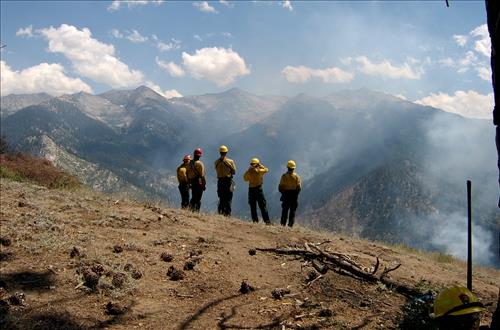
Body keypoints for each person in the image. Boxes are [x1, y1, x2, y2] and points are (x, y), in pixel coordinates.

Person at [243, 158, 270, 224]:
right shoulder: (260, 171)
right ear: (257, 165)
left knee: (253, 206)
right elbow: (267, 169)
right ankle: (267, 222)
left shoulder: (249, 172)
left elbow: (245, 179)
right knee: (263, 206)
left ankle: (255, 222)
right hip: (258, 190)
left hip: (251, 190)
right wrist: (260, 165)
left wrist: (248, 170)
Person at [214, 145, 236, 216]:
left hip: (220, 182)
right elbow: (234, 172)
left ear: (220, 152)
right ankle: (227, 215)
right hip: (228, 181)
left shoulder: (216, 162)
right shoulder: (230, 161)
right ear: (226, 152)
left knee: (221, 199)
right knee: (228, 199)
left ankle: (220, 213)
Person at [278, 160, 301, 227]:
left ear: (287, 167)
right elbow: (299, 187)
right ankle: (290, 225)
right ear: (294, 168)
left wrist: (283, 193)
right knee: (292, 211)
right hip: (294, 195)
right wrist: (296, 194)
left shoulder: (284, 176)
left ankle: (282, 225)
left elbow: (280, 187)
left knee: (285, 210)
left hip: (286, 195)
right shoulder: (297, 176)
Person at [186, 147, 206, 212]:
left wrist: (189, 183)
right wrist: (204, 185)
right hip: (199, 182)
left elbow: (187, 173)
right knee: (198, 198)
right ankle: (196, 211)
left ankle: (190, 210)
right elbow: (202, 176)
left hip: (192, 182)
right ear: (200, 156)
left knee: (194, 196)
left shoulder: (190, 163)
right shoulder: (200, 164)